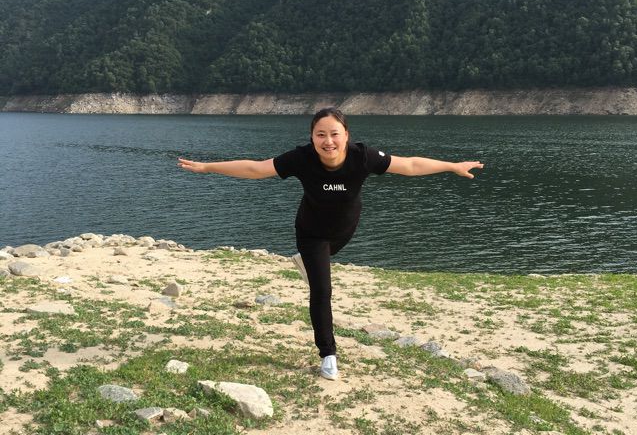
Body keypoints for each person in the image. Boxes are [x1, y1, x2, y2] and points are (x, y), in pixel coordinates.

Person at [178, 106, 483, 381]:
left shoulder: (363, 156)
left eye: (334, 134)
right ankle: (328, 354)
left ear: (346, 135)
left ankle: (310, 264)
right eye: (320, 134)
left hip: (344, 231)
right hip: (311, 233)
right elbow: (256, 169)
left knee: (320, 267)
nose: (328, 141)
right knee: (322, 290)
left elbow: (410, 165)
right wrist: (208, 167)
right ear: (312, 137)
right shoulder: (301, 159)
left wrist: (452, 166)